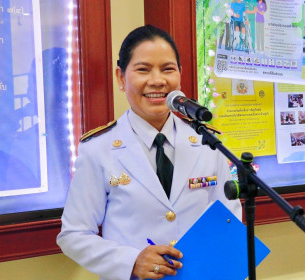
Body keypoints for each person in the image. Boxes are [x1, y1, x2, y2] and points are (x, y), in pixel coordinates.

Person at [57, 25, 242, 280]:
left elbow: (229, 217)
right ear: (121, 78)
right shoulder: (98, 149)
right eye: (143, 69)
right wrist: (131, 261)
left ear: (180, 75)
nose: (157, 80)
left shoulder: (206, 142)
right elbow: (73, 235)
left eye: (168, 69)